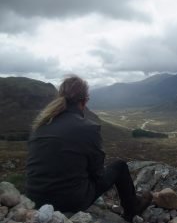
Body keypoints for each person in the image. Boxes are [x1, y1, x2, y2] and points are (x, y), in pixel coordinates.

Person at [26, 75, 152, 221]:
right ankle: (132, 209)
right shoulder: (88, 128)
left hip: (34, 198)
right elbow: (97, 174)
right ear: (85, 100)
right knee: (120, 166)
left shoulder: (41, 124)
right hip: (70, 201)